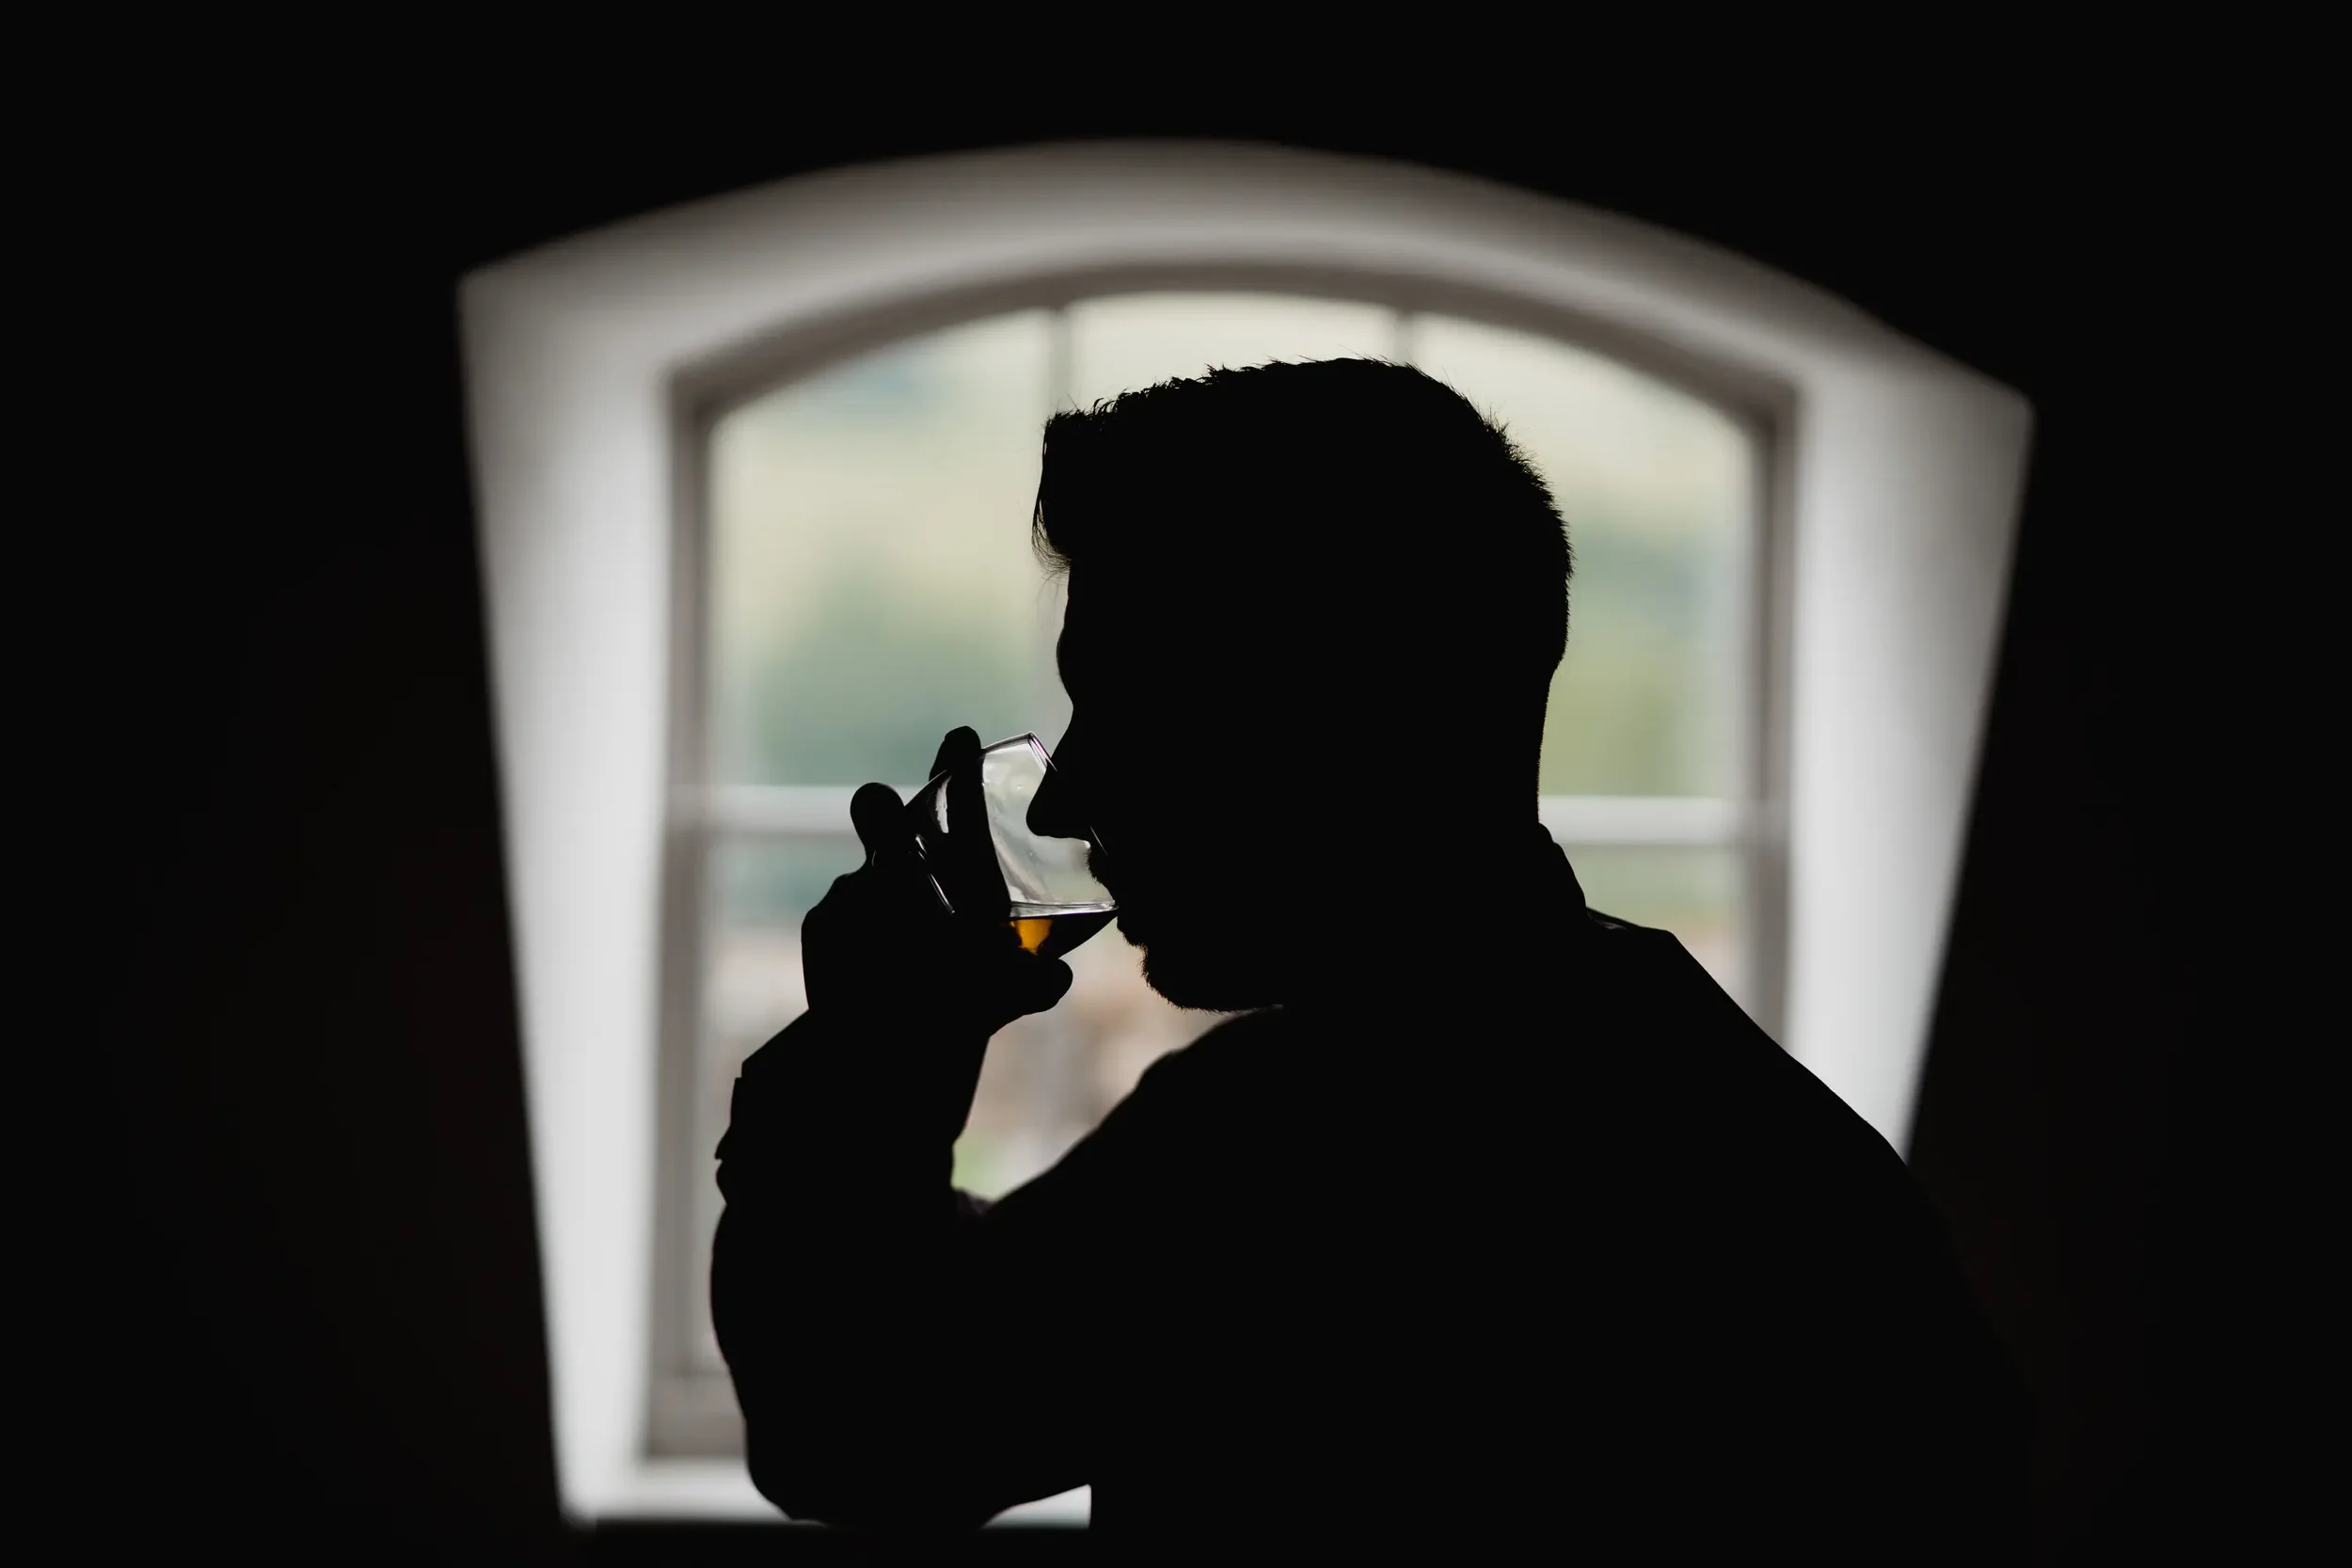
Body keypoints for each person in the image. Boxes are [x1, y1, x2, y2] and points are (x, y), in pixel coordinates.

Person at [711, 358, 2029, 1557]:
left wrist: (867, 1064)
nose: (1065, 802)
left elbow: (855, 1426)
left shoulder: (1269, 1149)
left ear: (1329, 719)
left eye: (1127, 710)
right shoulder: (1784, 1166)